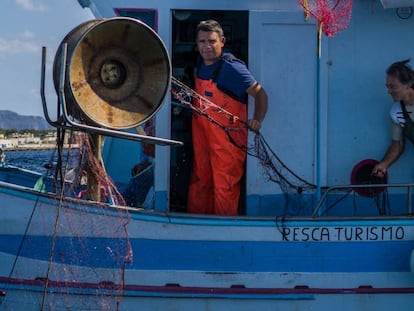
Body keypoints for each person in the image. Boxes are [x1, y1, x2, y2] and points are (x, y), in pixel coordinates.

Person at [187, 19, 268, 216]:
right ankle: (196, 224)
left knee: (225, 184)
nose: (207, 46)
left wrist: (257, 119)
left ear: (222, 41)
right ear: (197, 44)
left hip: (227, 141)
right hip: (204, 137)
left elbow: (260, 94)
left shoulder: (232, 68)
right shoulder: (200, 65)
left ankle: (222, 228)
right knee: (200, 178)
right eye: (202, 41)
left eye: (212, 41)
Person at [372, 59, 414, 178]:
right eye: (387, 87)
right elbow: (398, 145)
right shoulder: (396, 112)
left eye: (393, 86)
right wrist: (383, 165)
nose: (389, 91)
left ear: (408, 84)